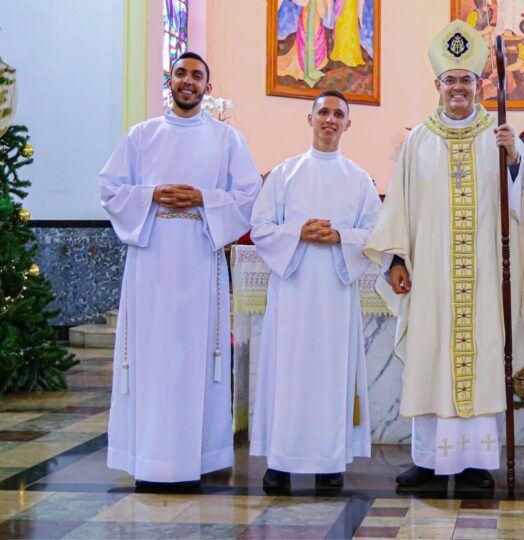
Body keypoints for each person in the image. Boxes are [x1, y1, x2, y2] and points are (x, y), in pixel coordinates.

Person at [364, 20, 524, 490]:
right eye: (451, 80)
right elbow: (399, 205)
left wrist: (513, 163)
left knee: (483, 354)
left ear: (480, 84)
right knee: (430, 358)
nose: (459, 88)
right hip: (432, 277)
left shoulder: (502, 135)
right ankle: (428, 461)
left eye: (467, 80)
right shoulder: (419, 141)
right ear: (438, 85)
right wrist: (397, 261)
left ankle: (475, 463)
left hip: (485, 275)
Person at [99, 52, 261, 490]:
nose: (187, 81)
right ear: (168, 81)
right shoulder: (141, 136)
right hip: (150, 260)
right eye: (180, 73)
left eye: (197, 76)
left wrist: (203, 200)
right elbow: (109, 190)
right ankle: (149, 458)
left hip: (198, 258)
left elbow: (249, 196)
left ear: (208, 88)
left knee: (196, 357)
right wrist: (151, 195)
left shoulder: (228, 139)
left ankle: (199, 457)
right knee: (150, 357)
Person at [249, 90, 379, 492]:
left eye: (338, 114)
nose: (330, 119)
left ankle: (329, 462)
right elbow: (261, 229)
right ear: (310, 119)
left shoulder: (359, 179)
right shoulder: (284, 174)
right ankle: (281, 462)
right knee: (287, 372)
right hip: (292, 292)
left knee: (332, 374)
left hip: (335, 296)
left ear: (347, 124)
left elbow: (376, 235)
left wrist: (341, 236)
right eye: (323, 112)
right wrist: (298, 232)